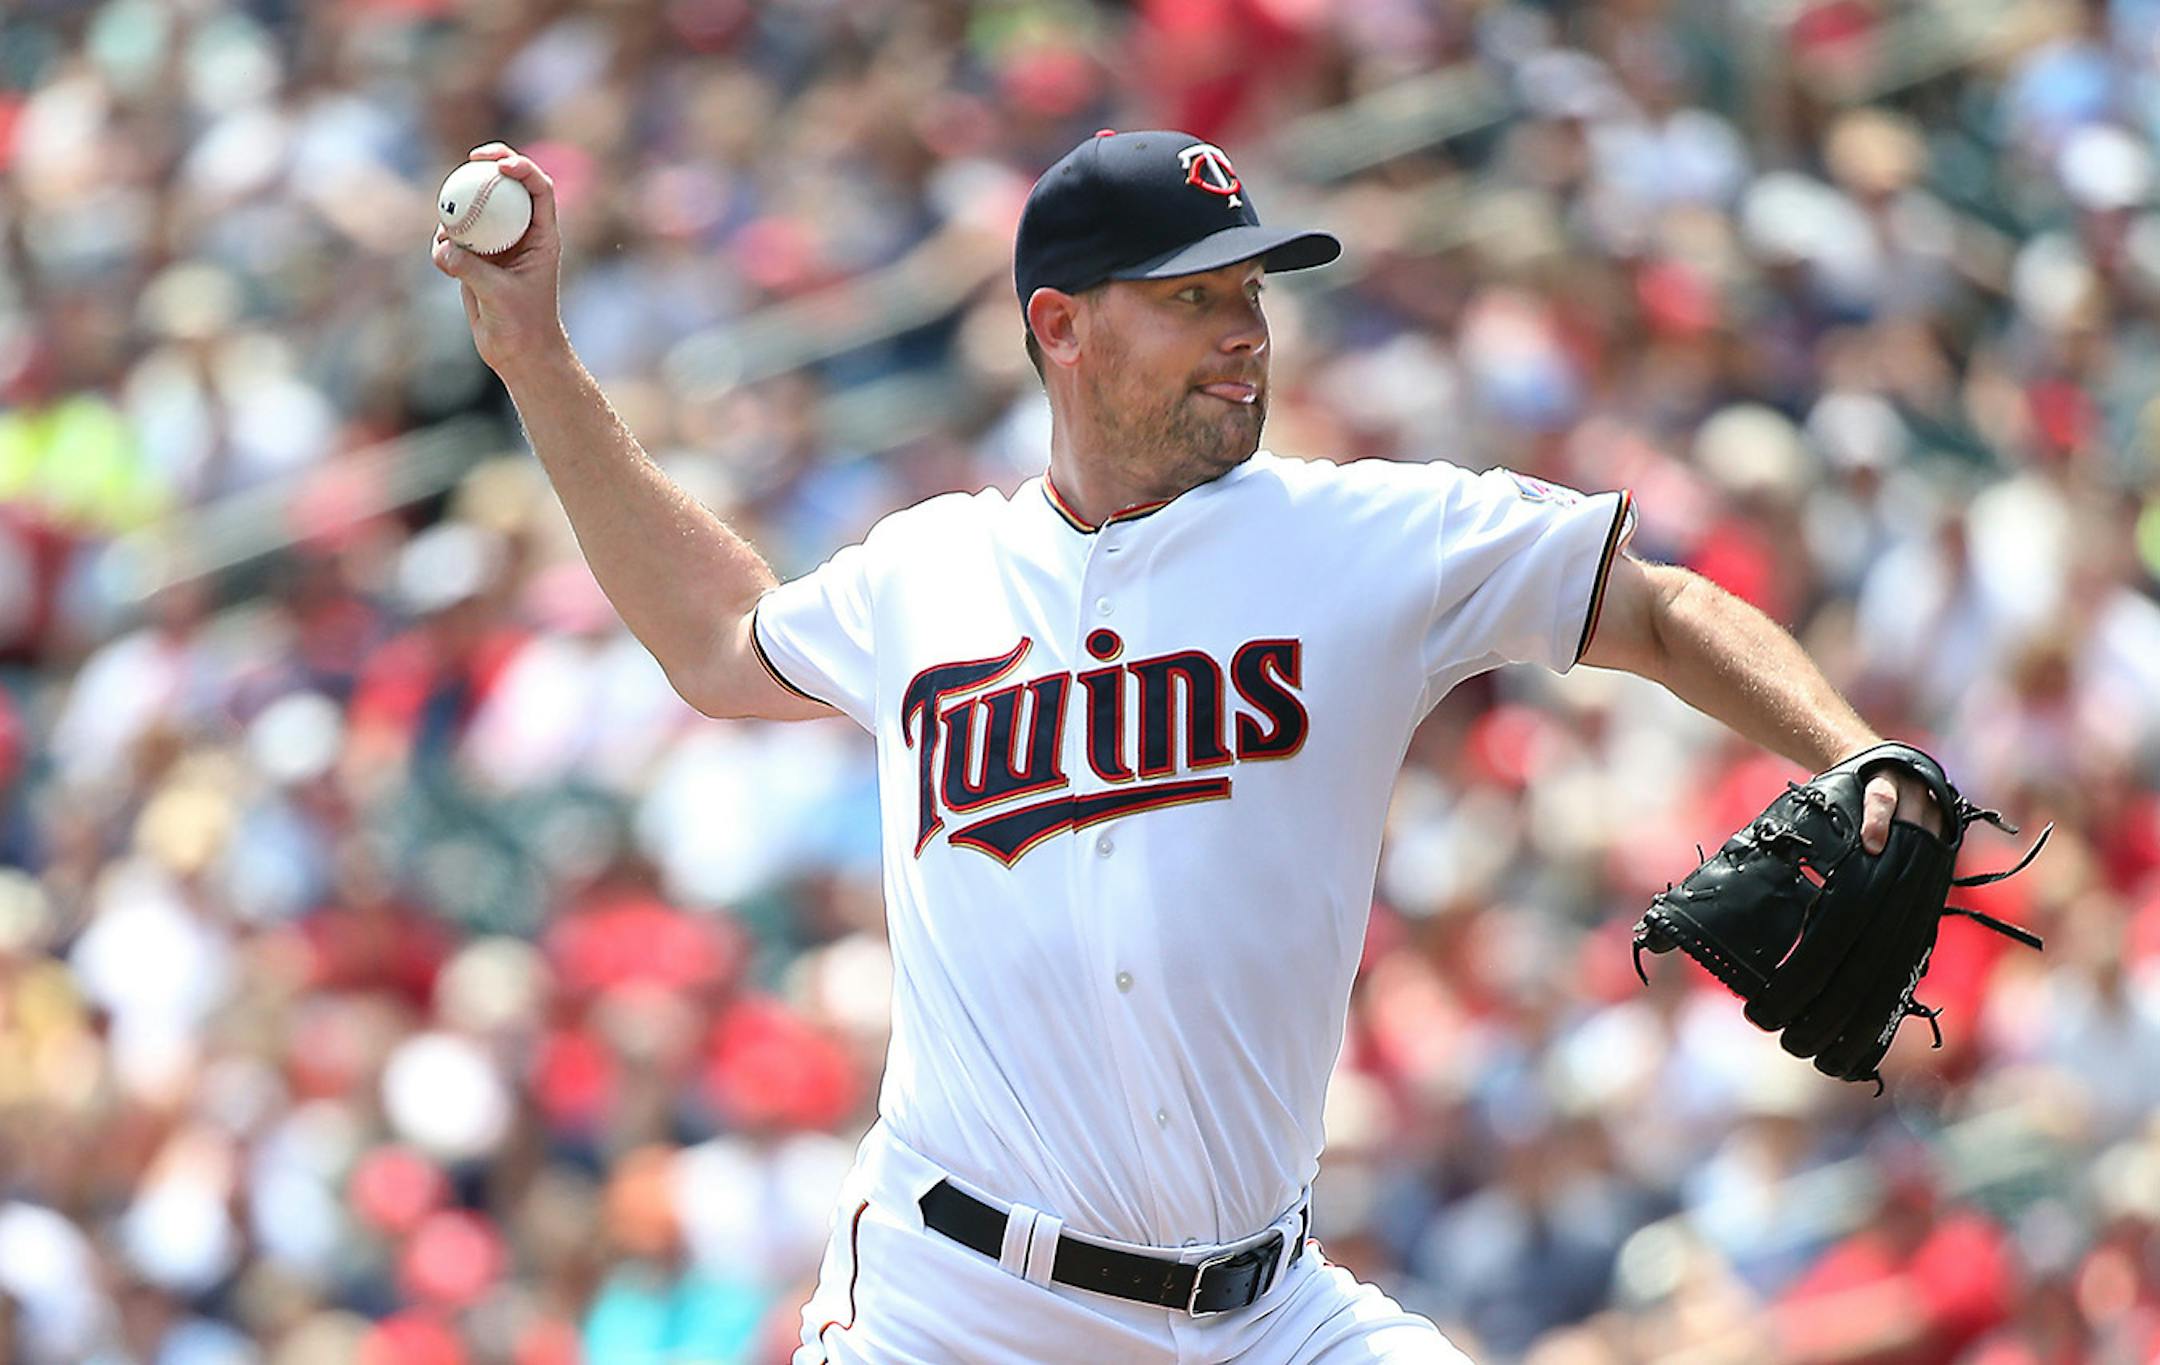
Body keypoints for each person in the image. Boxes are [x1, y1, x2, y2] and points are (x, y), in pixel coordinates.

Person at [432, 129, 1943, 1364]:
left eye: (1254, 296)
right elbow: (716, 643)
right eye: (1193, 297)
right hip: (957, 1309)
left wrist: (1858, 748)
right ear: (1060, 325)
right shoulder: (925, 573)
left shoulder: (1364, 537)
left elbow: (1654, 607)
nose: (1243, 333)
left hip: (1263, 1308)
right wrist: (538, 363)